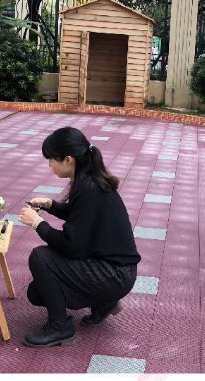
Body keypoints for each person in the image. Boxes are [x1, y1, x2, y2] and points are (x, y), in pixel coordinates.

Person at [16, 126, 140, 348]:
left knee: (40, 257)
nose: (49, 164)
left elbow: (72, 246)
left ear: (68, 160)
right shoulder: (90, 181)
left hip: (114, 275)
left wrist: (37, 224)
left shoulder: (88, 189)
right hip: (118, 270)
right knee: (37, 292)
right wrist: (50, 205)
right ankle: (104, 303)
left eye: (51, 159)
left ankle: (60, 327)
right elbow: (81, 216)